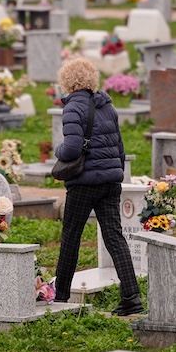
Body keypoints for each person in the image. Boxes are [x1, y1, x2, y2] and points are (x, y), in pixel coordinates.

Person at [54, 57, 142, 315]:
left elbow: (70, 148)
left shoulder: (73, 108)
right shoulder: (108, 106)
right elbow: (120, 149)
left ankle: (60, 296)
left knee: (71, 238)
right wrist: (113, 173)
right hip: (111, 182)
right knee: (115, 238)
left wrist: (58, 151)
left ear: (67, 81)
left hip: (83, 184)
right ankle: (132, 296)